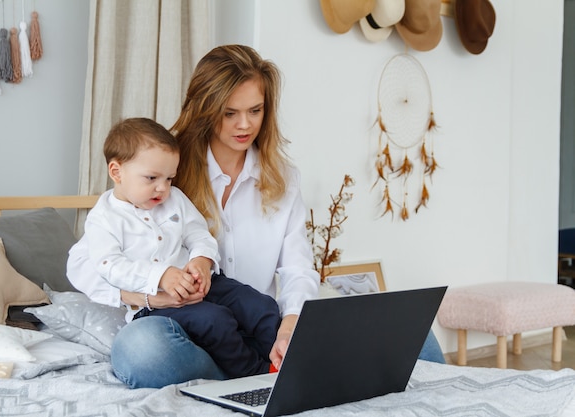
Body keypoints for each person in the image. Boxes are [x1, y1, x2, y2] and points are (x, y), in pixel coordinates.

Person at [109, 44, 445, 389]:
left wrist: (290, 324)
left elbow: (297, 267)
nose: (244, 124)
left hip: (262, 330)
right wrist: (150, 295)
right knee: (140, 348)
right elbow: (92, 263)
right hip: (191, 332)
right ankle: (248, 383)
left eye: (255, 110)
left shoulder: (283, 178)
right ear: (205, 109)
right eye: (229, 113)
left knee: (415, 332)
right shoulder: (161, 174)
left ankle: (261, 378)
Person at [67, 117, 281, 379]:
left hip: (206, 282)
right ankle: (254, 376)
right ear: (116, 172)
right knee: (215, 321)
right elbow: (109, 265)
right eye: (152, 178)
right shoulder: (103, 219)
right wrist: (161, 276)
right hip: (158, 304)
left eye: (169, 178)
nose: (163, 188)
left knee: (261, 306)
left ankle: (280, 361)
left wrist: (202, 260)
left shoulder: (175, 199)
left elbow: (199, 234)